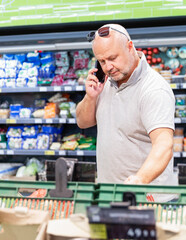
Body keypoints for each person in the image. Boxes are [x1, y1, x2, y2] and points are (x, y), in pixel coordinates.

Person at [76, 24, 177, 190]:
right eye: (102, 61)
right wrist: (90, 97)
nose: (108, 67)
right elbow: (82, 122)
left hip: (145, 196)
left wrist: (139, 181)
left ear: (130, 47)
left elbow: (164, 144)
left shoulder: (153, 89)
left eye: (113, 58)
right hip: (109, 193)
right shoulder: (105, 82)